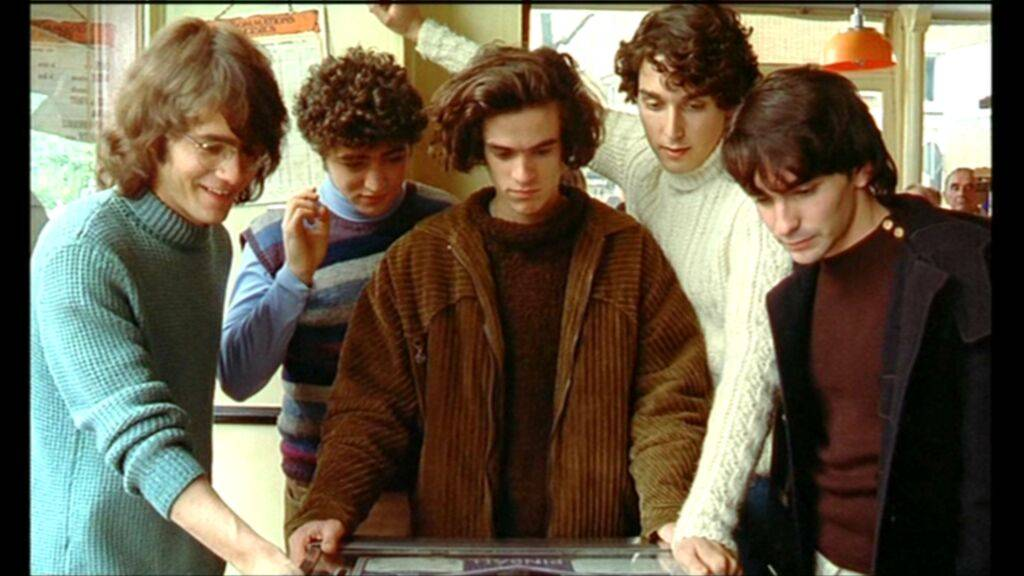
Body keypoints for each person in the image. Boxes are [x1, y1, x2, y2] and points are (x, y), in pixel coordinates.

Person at [369, 5, 791, 575]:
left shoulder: (752, 206)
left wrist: (702, 517)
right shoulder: (645, 154)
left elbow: (751, 374)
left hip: (733, 481)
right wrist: (418, 31)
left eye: (694, 105)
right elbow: (528, 100)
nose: (671, 130)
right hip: (659, 469)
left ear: (732, 105)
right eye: (653, 102)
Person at [284, 42, 713, 564]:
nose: (523, 175)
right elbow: (369, 409)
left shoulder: (627, 252)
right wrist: (330, 504)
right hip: (457, 549)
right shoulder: (422, 260)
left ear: (568, 146)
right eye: (504, 154)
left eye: (542, 151)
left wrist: (669, 509)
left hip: (595, 550)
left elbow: (669, 399)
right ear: (478, 149)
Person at [30, 17, 301, 575]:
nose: (234, 173)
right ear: (155, 134)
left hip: (186, 561)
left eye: (249, 151)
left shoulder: (211, 243)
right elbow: (143, 438)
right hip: (91, 563)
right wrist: (256, 556)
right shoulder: (84, 247)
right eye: (211, 146)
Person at [723, 66, 990, 575]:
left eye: (804, 191)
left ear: (862, 169)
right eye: (763, 199)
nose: (784, 222)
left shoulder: (962, 266)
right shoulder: (794, 291)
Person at [218, 47, 455, 538]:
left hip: (433, 484)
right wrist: (295, 276)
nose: (376, 181)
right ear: (322, 152)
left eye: (394, 158)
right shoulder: (274, 238)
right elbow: (237, 377)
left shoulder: (446, 224)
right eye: (354, 163)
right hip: (319, 486)